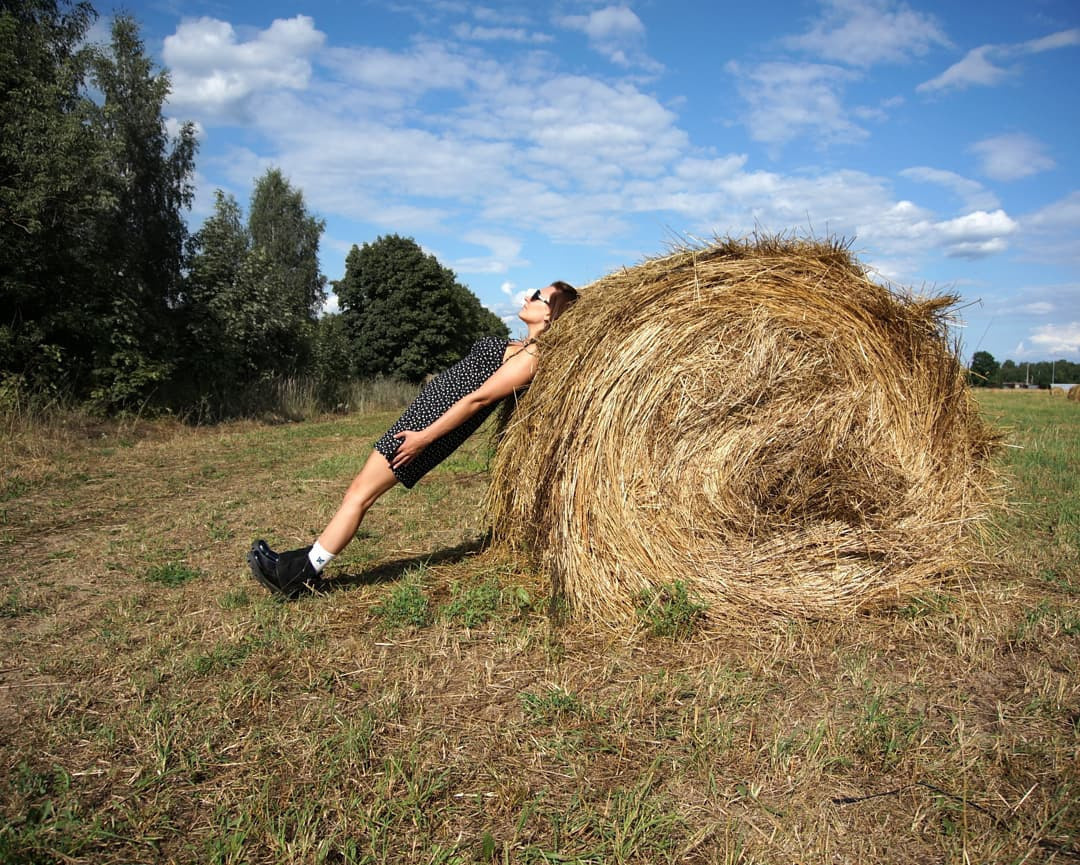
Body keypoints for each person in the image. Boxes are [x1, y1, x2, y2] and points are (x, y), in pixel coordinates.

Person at [248, 281, 579, 598]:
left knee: (360, 495)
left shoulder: (530, 358)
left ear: (551, 313)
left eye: (539, 295)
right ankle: (302, 567)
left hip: (428, 428)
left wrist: (424, 438)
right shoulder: (518, 347)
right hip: (423, 419)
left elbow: (477, 400)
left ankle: (297, 573)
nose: (528, 297)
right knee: (358, 491)